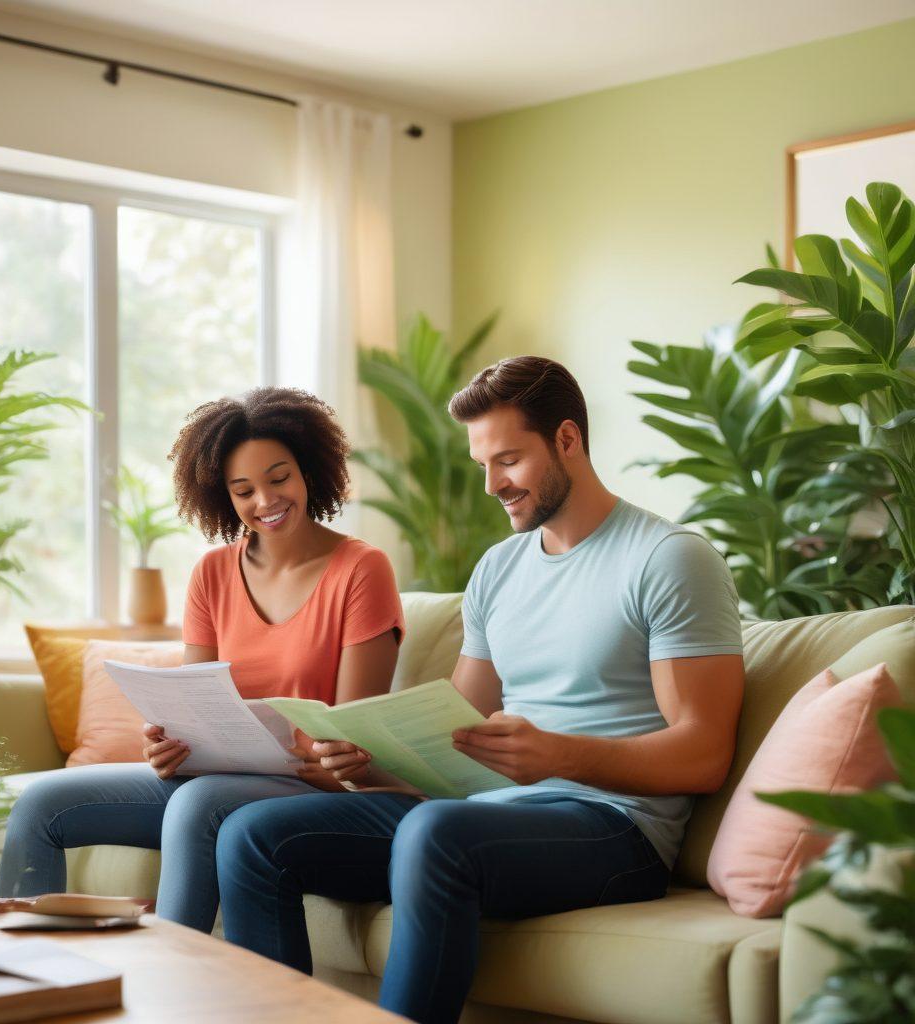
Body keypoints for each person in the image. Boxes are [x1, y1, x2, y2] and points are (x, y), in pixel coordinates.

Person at [214, 357, 745, 1024]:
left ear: (568, 440)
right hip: (490, 813)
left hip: (615, 828)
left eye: (510, 461)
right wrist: (366, 760)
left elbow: (703, 754)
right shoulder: (499, 568)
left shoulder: (668, 559)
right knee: (251, 837)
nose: (493, 484)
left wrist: (557, 756)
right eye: (483, 464)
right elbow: (455, 730)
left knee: (438, 832)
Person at [0, 387, 405, 935]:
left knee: (198, 803)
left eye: (279, 478)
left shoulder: (361, 569)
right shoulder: (211, 573)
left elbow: (355, 739)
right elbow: (193, 700)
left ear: (309, 470)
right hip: (215, 775)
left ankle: (174, 992)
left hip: (309, 788)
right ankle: (25, 984)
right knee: (40, 803)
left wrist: (327, 760)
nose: (265, 501)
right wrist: (168, 746)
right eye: (244, 490)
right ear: (223, 496)